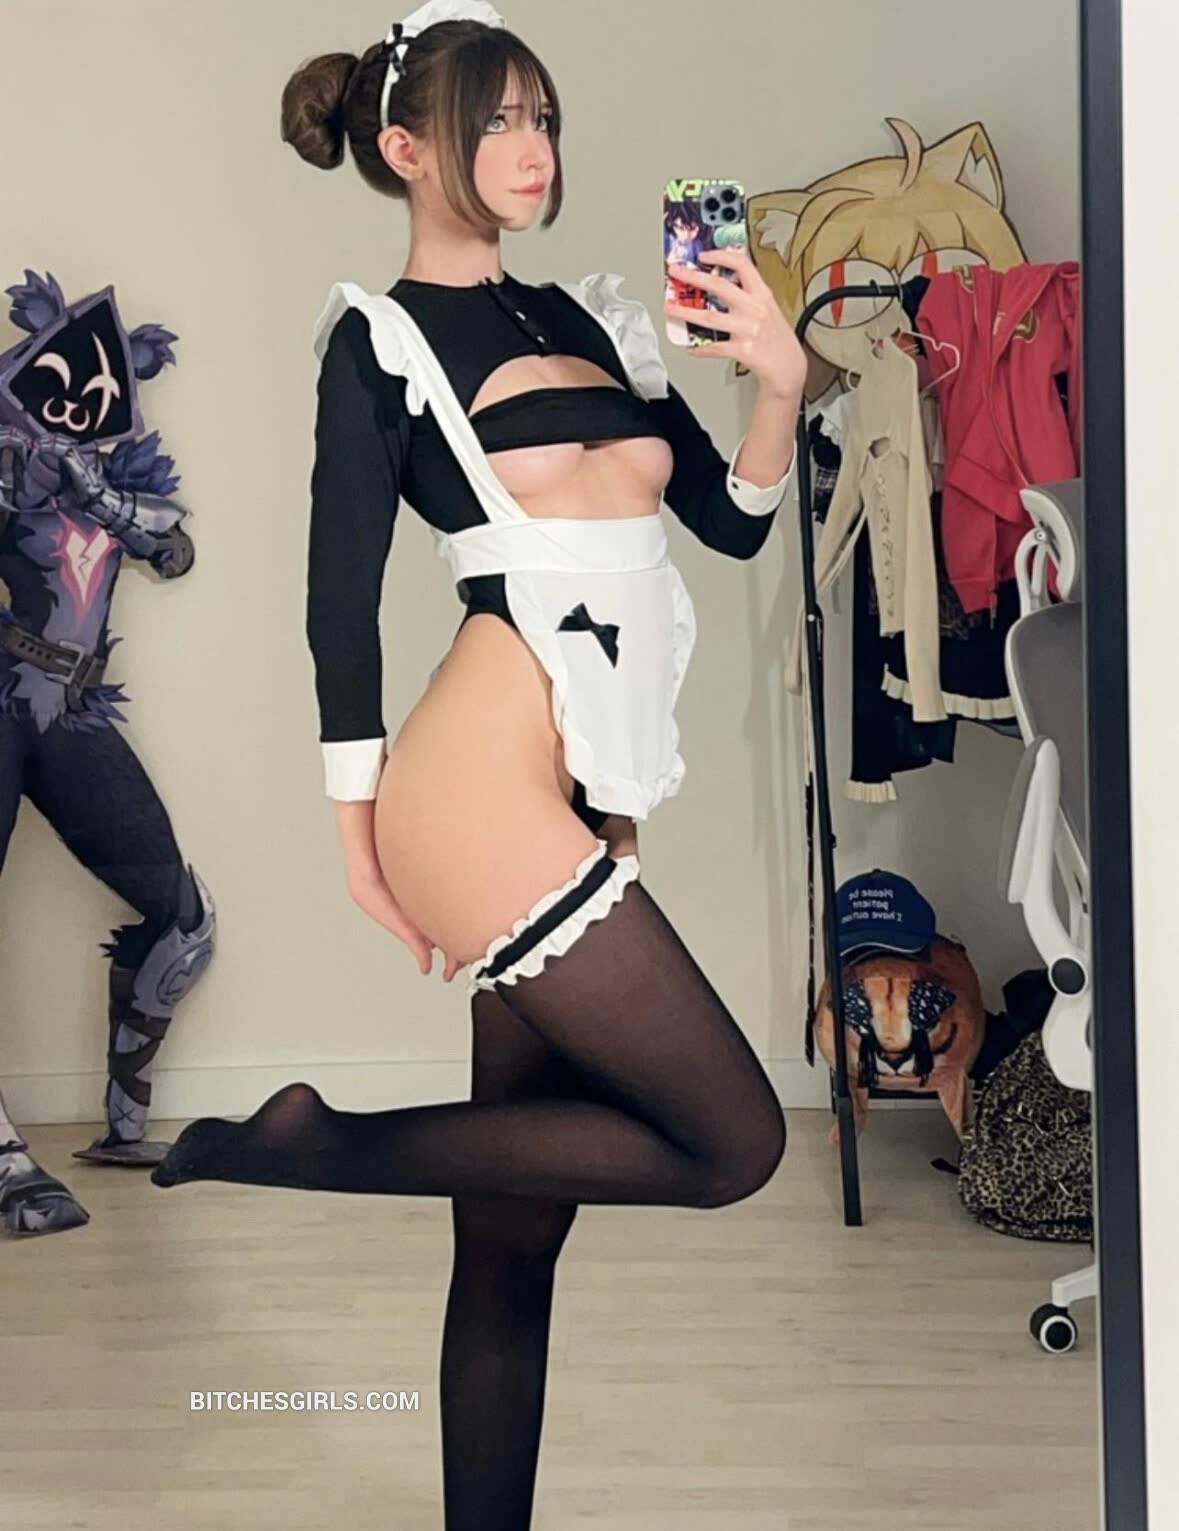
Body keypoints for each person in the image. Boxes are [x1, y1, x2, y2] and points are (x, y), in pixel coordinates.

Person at [151, 4, 807, 1526]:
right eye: (497, 120)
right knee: (736, 1141)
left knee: (514, 1238)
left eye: (543, 118)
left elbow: (730, 524)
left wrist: (777, 379)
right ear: (404, 147)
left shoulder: (592, 318)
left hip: (587, 793)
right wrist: (360, 840)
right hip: (477, 789)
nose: (533, 149)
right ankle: (318, 1145)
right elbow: (337, 608)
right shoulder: (378, 344)